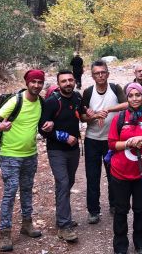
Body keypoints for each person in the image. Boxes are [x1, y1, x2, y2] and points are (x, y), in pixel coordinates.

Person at [0, 69, 45, 252]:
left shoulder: (41, 102)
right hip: (10, 154)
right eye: (33, 82)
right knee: (10, 192)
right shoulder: (16, 100)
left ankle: (27, 224)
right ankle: (5, 232)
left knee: (27, 190)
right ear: (27, 82)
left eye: (39, 82)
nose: (36, 85)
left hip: (30, 154)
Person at [108, 83, 142, 254]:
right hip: (120, 173)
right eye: (131, 95)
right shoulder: (119, 118)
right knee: (121, 209)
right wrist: (128, 143)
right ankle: (120, 244)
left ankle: (140, 241)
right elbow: (111, 144)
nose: (135, 98)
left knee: (140, 208)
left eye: (138, 95)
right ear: (127, 98)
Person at [39, 70, 86, 243]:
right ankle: (64, 226)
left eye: (70, 80)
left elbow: (80, 115)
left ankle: (62, 217)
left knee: (67, 184)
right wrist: (64, 137)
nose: (68, 83)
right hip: (56, 150)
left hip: (73, 150)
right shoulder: (52, 102)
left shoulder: (77, 97)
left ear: (74, 81)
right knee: (63, 183)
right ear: (58, 84)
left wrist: (93, 115)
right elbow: (41, 129)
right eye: (64, 81)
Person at [81, 60, 128, 224]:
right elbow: (82, 116)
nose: (100, 75)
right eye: (97, 73)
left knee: (114, 175)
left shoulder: (115, 89)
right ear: (92, 75)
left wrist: (107, 110)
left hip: (112, 141)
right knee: (92, 177)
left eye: (103, 72)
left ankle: (114, 205)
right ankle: (93, 211)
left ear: (107, 74)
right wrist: (94, 115)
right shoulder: (87, 92)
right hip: (92, 140)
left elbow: (126, 104)